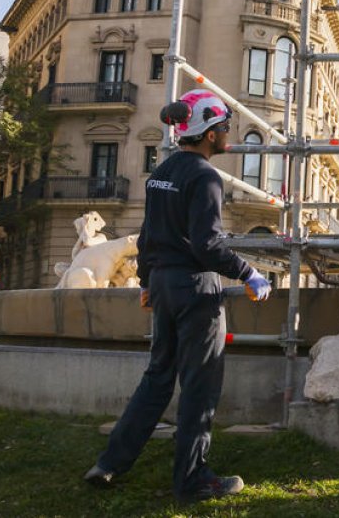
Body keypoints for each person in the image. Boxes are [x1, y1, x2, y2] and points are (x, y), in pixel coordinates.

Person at [84, 89, 272, 503]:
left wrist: (148, 281)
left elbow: (149, 236)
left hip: (165, 285)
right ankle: (192, 479)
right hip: (196, 288)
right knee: (200, 387)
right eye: (224, 127)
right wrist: (249, 273)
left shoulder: (161, 172)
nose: (228, 134)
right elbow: (207, 245)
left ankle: (110, 463)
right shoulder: (205, 177)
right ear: (208, 133)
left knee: (157, 378)